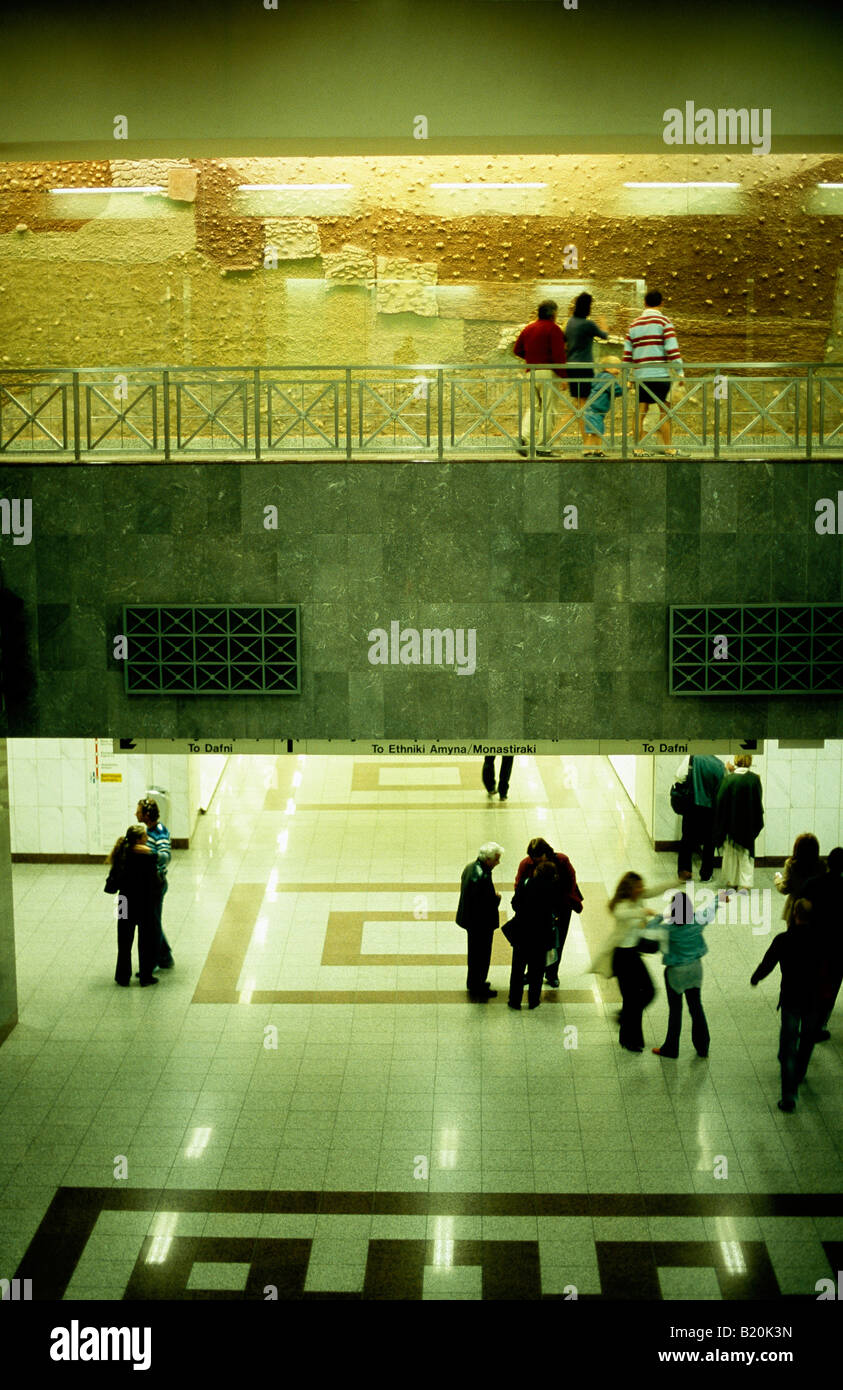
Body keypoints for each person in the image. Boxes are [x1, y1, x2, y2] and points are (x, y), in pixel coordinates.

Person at [592, 871, 682, 1052]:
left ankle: (625, 1023)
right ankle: (630, 1039)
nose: (642, 890)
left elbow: (656, 889)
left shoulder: (638, 896)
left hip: (633, 954)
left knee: (647, 992)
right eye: (638, 887)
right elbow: (622, 915)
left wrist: (679, 881)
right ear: (629, 889)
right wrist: (643, 911)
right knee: (632, 998)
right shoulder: (620, 905)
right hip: (622, 957)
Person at [750, 897, 824, 1112]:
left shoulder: (784, 939)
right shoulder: (820, 939)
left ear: (794, 914)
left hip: (791, 998)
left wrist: (756, 977)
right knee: (808, 1039)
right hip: (814, 998)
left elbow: (768, 962)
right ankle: (800, 1073)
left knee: (788, 1047)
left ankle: (789, 1096)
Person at [650, 887, 732, 1059]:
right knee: (696, 1006)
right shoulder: (697, 921)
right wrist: (721, 896)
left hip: (675, 973)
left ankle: (671, 1048)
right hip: (695, 969)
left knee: (676, 1010)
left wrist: (659, 917)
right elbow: (712, 905)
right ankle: (703, 1047)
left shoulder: (669, 929)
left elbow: (649, 930)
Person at [514, 836, 584, 987]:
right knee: (535, 943)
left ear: (546, 853)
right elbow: (519, 885)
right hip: (537, 910)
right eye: (533, 857)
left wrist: (563, 902)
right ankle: (531, 972)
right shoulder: (526, 864)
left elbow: (571, 882)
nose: (536, 860)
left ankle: (552, 973)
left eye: (539, 857)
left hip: (561, 907)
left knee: (557, 942)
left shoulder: (562, 861)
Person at [622, 290, 685, 457]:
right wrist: (679, 371)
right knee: (665, 411)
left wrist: (629, 377)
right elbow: (672, 349)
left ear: (644, 302)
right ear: (661, 303)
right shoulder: (664, 322)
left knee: (640, 411)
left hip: (641, 375)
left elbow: (627, 354)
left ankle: (637, 448)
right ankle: (668, 448)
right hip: (660, 374)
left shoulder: (634, 324)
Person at [106, 825, 162, 987]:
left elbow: (113, 880)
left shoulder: (121, 854)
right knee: (146, 940)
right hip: (144, 903)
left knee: (123, 941)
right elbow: (155, 883)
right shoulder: (148, 857)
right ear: (139, 839)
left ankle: (122, 976)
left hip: (123, 901)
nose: (147, 838)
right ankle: (145, 976)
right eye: (145, 836)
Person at [513, 299, 568, 457]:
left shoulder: (528, 328)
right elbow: (559, 355)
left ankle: (523, 437)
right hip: (548, 373)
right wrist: (563, 376)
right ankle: (543, 446)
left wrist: (530, 358)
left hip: (531, 372)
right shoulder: (554, 329)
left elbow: (517, 350)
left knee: (534, 407)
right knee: (548, 409)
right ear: (554, 314)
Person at [802, 845, 843, 1042]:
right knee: (832, 985)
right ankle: (820, 1024)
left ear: (827, 863)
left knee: (813, 981)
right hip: (837, 945)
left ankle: (807, 1019)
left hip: (813, 941)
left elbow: (801, 911)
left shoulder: (813, 884)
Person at [507, 860, 559, 1010]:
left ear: (537, 871)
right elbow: (556, 909)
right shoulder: (553, 889)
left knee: (517, 968)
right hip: (541, 935)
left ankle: (514, 1000)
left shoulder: (525, 883)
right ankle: (533, 1000)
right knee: (536, 970)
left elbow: (514, 904)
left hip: (521, 932)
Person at [456, 842, 504, 1001]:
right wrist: (496, 899)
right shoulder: (482, 876)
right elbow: (484, 905)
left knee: (474, 954)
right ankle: (479, 984)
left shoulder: (470, 867)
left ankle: (473, 982)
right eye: (496, 859)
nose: (498, 863)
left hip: (470, 920)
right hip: (481, 924)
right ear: (488, 859)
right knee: (482, 955)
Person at [713, 754, 764, 890]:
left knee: (730, 855)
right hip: (748, 824)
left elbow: (720, 801)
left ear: (736, 761)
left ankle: (731, 882)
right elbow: (758, 801)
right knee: (746, 855)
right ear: (749, 761)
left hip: (730, 824)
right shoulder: (754, 779)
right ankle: (745, 885)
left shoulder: (728, 779)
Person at [565, 291, 610, 442]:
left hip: (571, 366)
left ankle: (585, 440)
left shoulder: (570, 322)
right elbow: (604, 335)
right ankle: (587, 442)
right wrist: (603, 322)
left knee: (578, 405)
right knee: (584, 406)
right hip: (584, 367)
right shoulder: (588, 324)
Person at [675, 753, 727, 882]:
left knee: (687, 838)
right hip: (710, 808)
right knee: (710, 842)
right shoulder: (720, 765)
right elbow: (722, 788)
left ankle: (685, 872)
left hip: (692, 805)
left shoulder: (692, 757)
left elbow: (680, 776)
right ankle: (706, 874)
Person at [137, 797, 174, 970]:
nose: (136, 814)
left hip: (156, 883)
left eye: (138, 811)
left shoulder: (158, 832)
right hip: (151, 882)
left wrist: (147, 854)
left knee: (153, 923)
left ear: (146, 814)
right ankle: (164, 956)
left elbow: (166, 856)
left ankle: (155, 961)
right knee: (154, 921)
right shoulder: (150, 831)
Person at [581, 356, 629, 457]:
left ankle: (590, 450)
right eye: (616, 367)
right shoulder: (609, 378)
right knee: (597, 431)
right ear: (607, 368)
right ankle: (594, 451)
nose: (619, 370)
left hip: (592, 408)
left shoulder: (599, 376)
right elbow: (616, 391)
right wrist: (626, 387)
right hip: (596, 409)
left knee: (595, 431)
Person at [775, 833, 823, 927]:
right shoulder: (821, 865)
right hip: (816, 907)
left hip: (796, 907)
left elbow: (785, 888)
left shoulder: (791, 865)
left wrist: (777, 880)